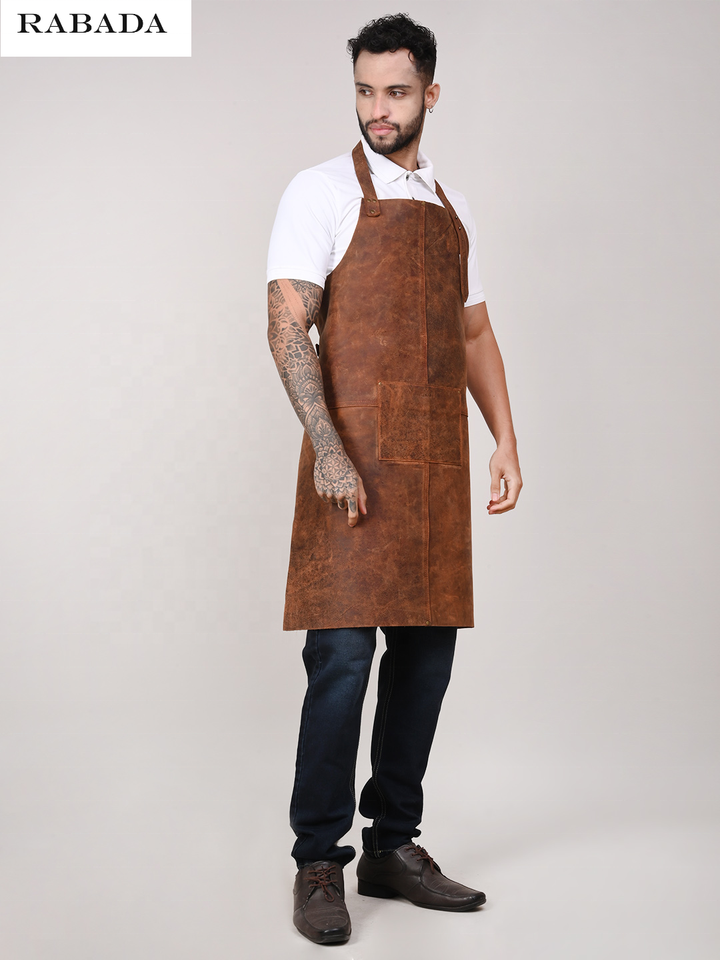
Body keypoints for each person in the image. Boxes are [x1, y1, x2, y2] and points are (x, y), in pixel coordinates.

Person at [267, 14, 522, 946]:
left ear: (430, 95)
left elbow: (473, 332)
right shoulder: (322, 191)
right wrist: (330, 449)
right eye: (366, 91)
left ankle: (392, 846)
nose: (379, 109)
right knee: (340, 663)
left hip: (434, 475)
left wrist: (504, 438)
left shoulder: (452, 208)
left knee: (425, 666)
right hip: (353, 466)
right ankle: (318, 861)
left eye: (397, 92)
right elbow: (287, 324)